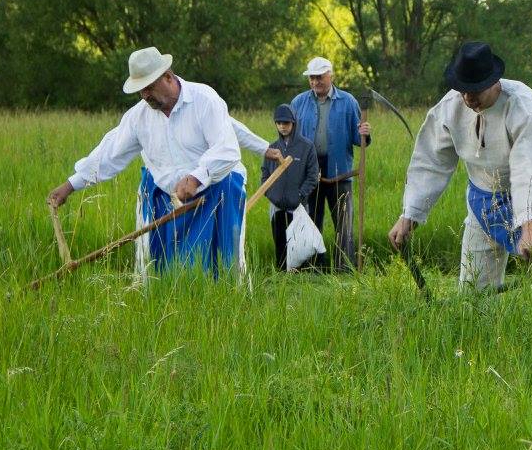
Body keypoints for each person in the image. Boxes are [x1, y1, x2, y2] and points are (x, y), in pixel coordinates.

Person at [47, 46, 250, 278]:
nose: (145, 95)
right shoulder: (138, 117)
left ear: (168, 77)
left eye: (149, 87)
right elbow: (109, 153)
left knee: (220, 266)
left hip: (216, 191)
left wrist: (197, 177)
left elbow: (227, 149)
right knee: (164, 271)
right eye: (140, 91)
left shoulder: (204, 100)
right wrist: (70, 185)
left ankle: (223, 299)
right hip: (166, 197)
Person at [388, 41, 532, 292]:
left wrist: (529, 226)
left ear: (494, 82)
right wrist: (410, 215)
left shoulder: (524, 107)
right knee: (473, 290)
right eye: (463, 90)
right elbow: (430, 162)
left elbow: (529, 168)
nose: (468, 98)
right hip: (483, 197)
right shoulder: (449, 108)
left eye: (475, 90)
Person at [290, 56, 371, 271]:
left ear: (330, 76)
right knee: (310, 220)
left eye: (319, 77)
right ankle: (311, 267)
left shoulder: (348, 102)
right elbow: (290, 138)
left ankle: (344, 268)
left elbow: (359, 140)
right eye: (312, 78)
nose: (315, 81)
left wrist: (364, 133)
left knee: (344, 223)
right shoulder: (298, 103)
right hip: (309, 171)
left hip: (340, 169)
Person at [262, 104, 319, 270]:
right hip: (277, 206)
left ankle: (301, 275)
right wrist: (271, 194)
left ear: (294, 123)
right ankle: (281, 276)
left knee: (300, 245)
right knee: (280, 243)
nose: (282, 126)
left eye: (286, 123)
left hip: (298, 206)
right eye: (279, 123)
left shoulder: (307, 147)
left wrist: (300, 195)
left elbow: (312, 176)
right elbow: (265, 175)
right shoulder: (272, 148)